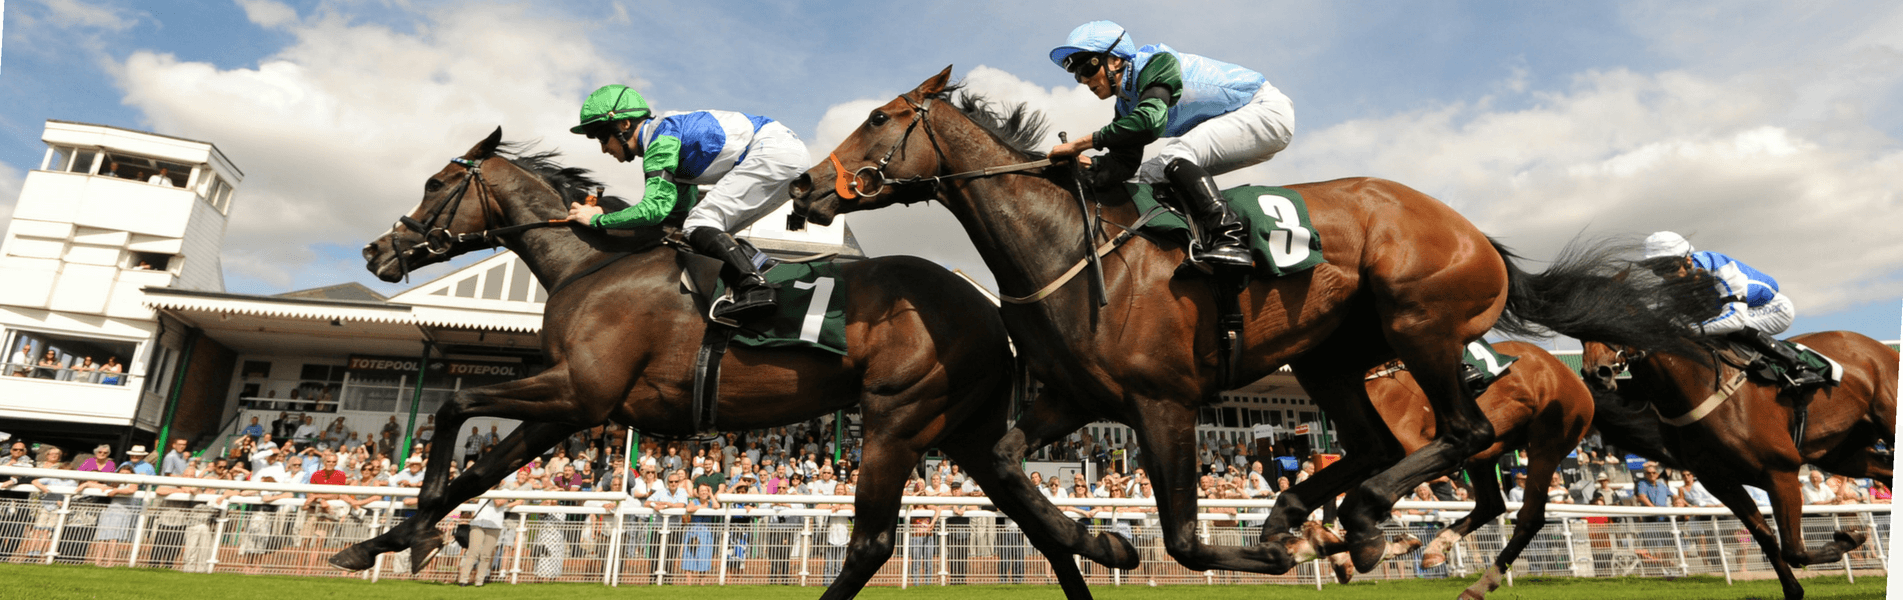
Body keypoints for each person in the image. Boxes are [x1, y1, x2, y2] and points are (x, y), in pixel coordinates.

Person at [1046, 20, 1295, 268]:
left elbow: (1149, 121)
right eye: (1076, 74)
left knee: (1176, 154)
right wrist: (1087, 165)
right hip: (1244, 122)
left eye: (1087, 69)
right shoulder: (1125, 104)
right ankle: (1193, 244)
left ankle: (1230, 240)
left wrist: (1081, 144)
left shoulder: (1157, 63)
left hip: (1266, 110)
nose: (1083, 80)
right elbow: (1124, 165)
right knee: (1144, 177)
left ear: (1116, 60)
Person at [566, 83, 812, 321]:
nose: (603, 149)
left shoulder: (660, 141)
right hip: (787, 154)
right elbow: (676, 218)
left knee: (701, 222)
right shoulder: (669, 137)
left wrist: (598, 219)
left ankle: (755, 288)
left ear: (624, 124)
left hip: (772, 150)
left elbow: (653, 210)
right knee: (703, 230)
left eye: (601, 137)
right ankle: (762, 268)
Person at [1642, 231, 1823, 385]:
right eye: (1658, 270)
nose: (1666, 276)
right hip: (1726, 314)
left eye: (1669, 267)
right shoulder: (1671, 286)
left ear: (1688, 260)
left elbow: (1734, 320)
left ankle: (1802, 367)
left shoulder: (1720, 269)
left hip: (1773, 310)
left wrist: (1692, 330)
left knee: (1729, 327)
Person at [458, 482, 519, 587]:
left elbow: (498, 503)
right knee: (473, 552)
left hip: (494, 526)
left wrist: (492, 490)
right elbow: (471, 499)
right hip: (477, 524)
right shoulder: (482, 488)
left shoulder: (505, 491)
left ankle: (479, 581)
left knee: (486, 555)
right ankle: (463, 580)